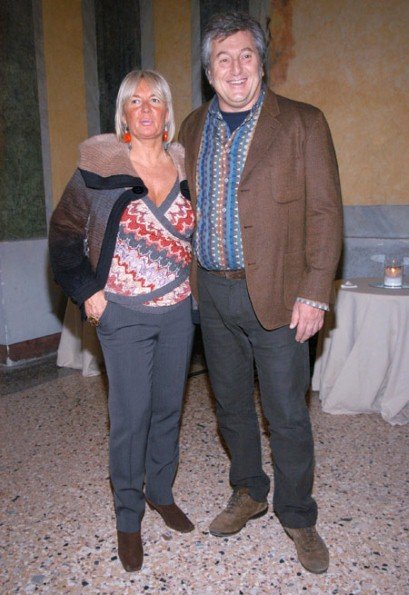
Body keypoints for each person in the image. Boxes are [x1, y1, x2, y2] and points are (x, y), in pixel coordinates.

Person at [179, 12, 343, 574]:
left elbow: (325, 212)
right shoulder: (192, 128)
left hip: (280, 295)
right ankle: (248, 490)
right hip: (212, 294)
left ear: (262, 63)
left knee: (286, 413)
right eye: (222, 59)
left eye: (246, 55)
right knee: (229, 404)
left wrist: (314, 293)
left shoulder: (302, 122)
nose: (235, 68)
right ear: (209, 72)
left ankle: (297, 513)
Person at [49, 70, 195, 572]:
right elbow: (64, 234)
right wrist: (89, 293)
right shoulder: (101, 165)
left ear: (167, 112)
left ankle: (161, 492)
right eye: (136, 101)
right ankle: (128, 517)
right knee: (131, 418)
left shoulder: (185, 166)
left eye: (155, 99)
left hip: (178, 312)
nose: (146, 108)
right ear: (124, 114)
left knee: (168, 409)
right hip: (123, 313)